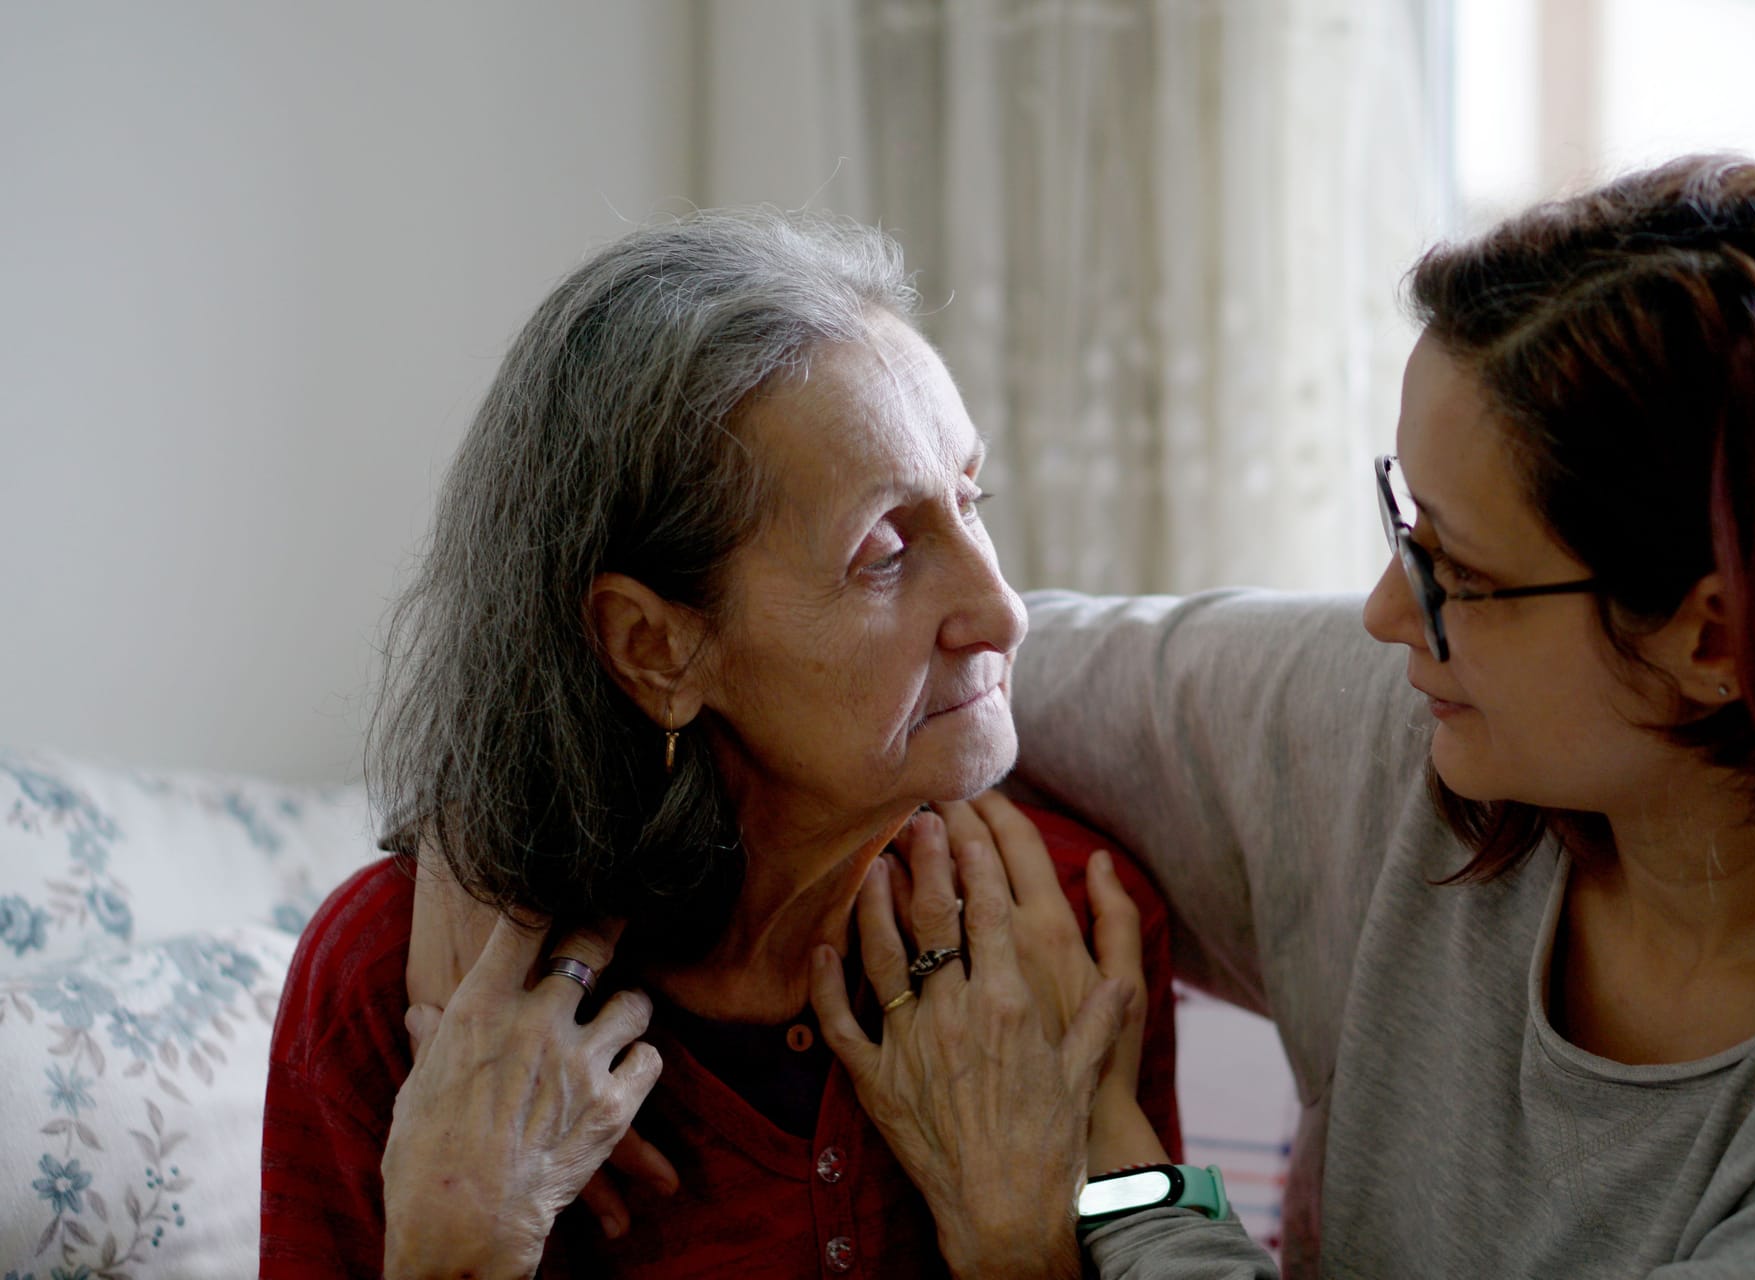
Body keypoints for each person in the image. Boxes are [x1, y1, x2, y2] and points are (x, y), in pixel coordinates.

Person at [826, 155, 1755, 1277]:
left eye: (1460, 568)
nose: (1389, 609)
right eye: (1405, 520)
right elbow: (944, 666)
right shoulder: (1410, 729)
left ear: (1715, 638)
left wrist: (1104, 1153)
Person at [258, 208, 1182, 1279]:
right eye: (885, 549)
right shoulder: (394, 992)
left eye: (972, 498)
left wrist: (1026, 1249)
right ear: (657, 648)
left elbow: (1157, 1226)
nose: (1004, 610)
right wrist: (455, 1256)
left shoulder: (1068, 932)